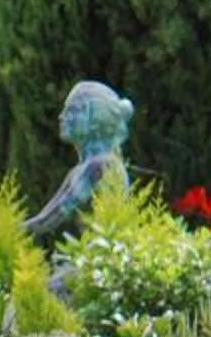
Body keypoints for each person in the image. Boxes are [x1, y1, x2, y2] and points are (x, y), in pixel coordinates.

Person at [19, 80, 133, 240]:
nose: (62, 117)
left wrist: (3, 234)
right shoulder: (82, 169)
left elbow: (50, 219)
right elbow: (44, 218)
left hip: (105, 255)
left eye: (72, 110)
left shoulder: (101, 165)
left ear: (94, 120)